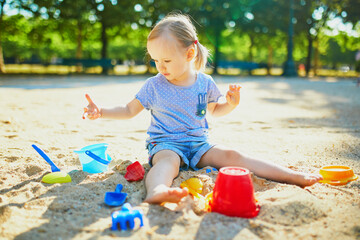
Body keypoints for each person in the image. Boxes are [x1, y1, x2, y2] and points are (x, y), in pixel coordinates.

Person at [83, 13, 323, 204]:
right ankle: (157, 190)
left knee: (233, 156)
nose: (160, 67)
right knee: (168, 164)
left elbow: (215, 111)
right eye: (155, 60)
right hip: (165, 144)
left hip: (199, 144)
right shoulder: (153, 85)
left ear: (189, 53)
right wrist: (101, 111)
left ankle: (292, 177)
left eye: (166, 60)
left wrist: (230, 103)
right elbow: (128, 110)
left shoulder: (204, 82)